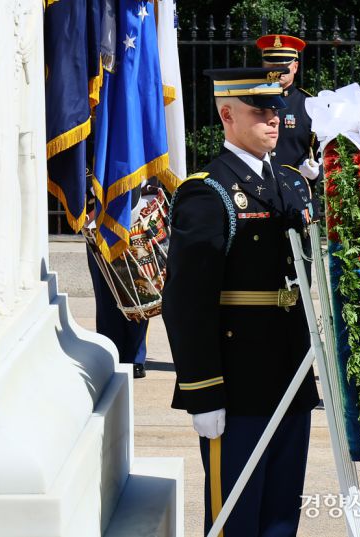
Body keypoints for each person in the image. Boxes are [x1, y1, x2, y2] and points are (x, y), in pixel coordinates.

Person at [161, 67, 319, 537]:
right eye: (260, 112)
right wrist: (202, 391)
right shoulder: (207, 191)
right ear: (227, 115)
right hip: (238, 382)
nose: (274, 120)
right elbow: (187, 301)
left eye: (276, 111)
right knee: (237, 515)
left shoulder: (289, 183)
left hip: (290, 372)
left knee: (280, 515)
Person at [85, 185, 148, 379]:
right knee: (106, 291)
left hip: (134, 206)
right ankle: (112, 352)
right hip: (97, 210)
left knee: (138, 289)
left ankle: (135, 357)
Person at [256, 34, 320, 187]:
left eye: (283, 66)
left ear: (295, 67)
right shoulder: (251, 102)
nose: (277, 70)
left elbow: (326, 152)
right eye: (272, 65)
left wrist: (317, 172)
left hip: (298, 192)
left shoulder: (310, 104)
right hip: (259, 191)